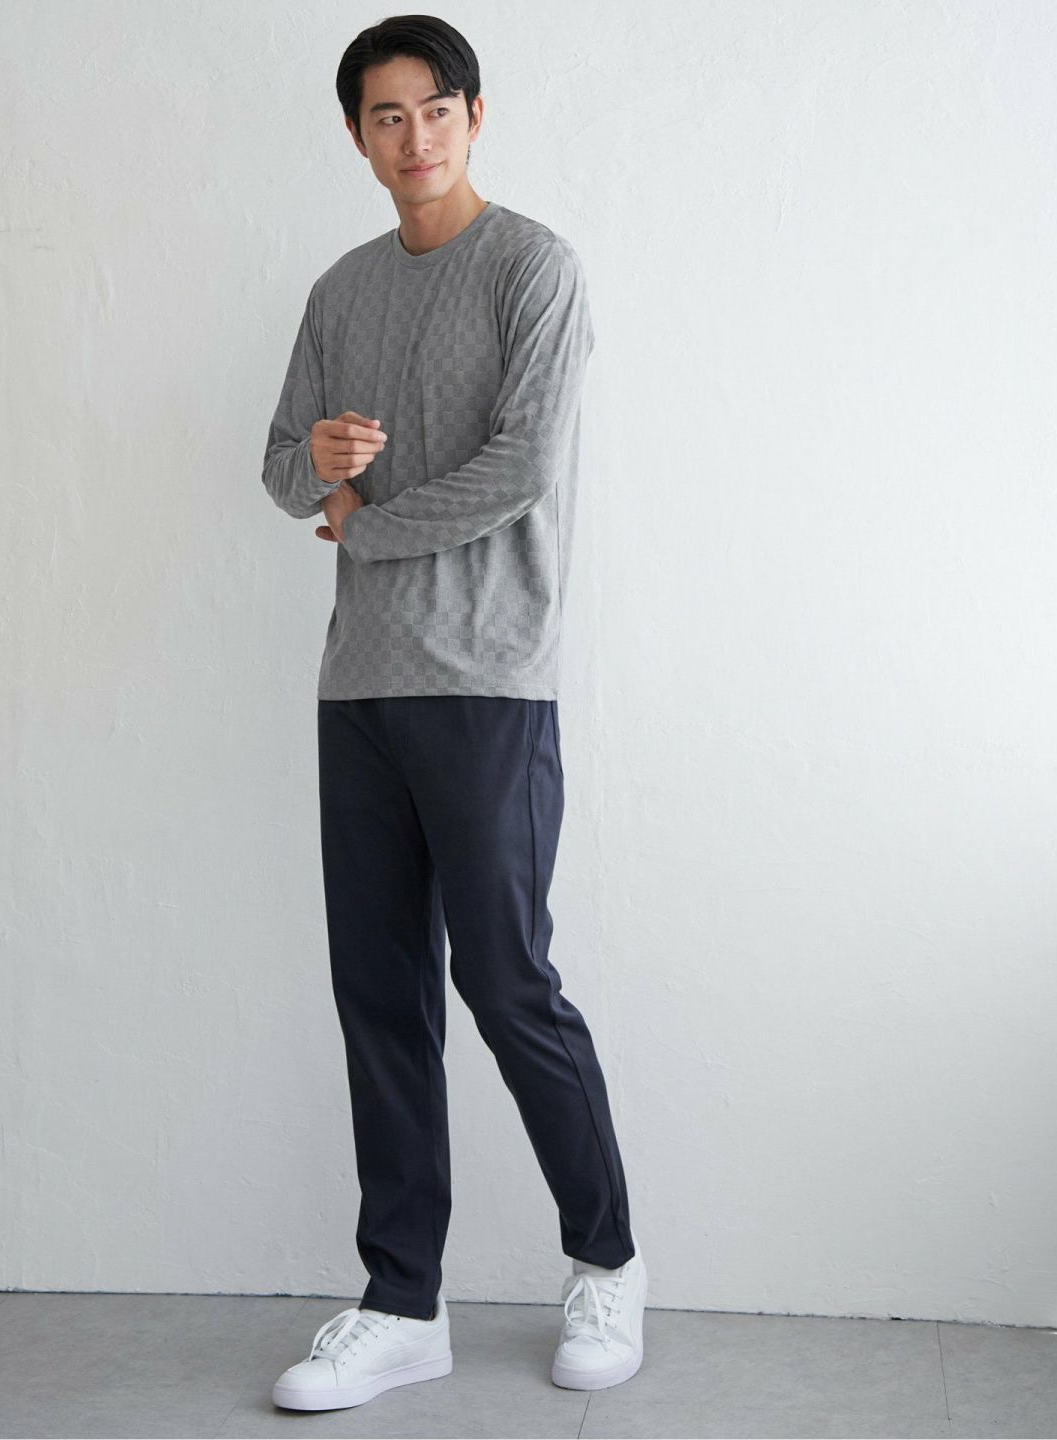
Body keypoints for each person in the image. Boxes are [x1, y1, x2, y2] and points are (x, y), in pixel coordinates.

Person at [261, 14, 645, 1412]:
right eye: (385, 116)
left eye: (434, 109)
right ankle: (401, 1301)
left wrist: (360, 521)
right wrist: (319, 461)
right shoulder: (338, 290)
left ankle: (608, 1260)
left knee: (507, 983)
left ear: (474, 116)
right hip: (358, 688)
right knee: (380, 996)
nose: (412, 137)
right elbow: (279, 470)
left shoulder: (534, 267)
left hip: (488, 681)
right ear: (357, 136)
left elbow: (522, 467)